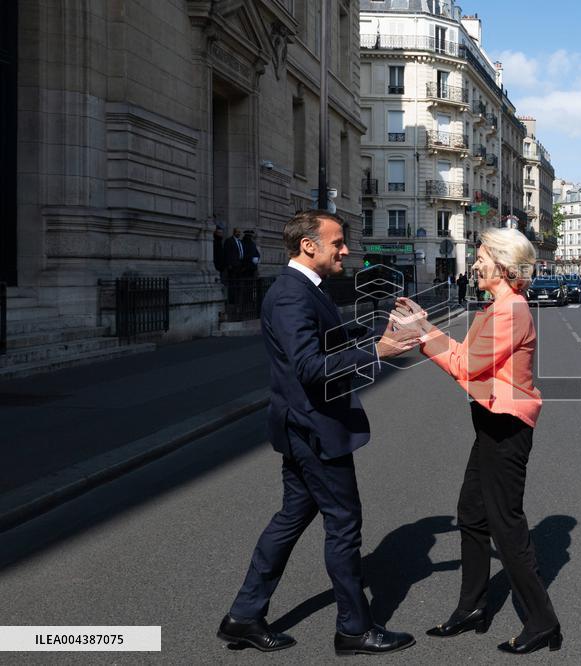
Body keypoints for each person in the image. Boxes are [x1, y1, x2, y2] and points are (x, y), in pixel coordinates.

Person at [217, 210, 420, 656]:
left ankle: (244, 616)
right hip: (314, 426)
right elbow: (309, 368)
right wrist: (378, 351)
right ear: (309, 246)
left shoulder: (304, 289)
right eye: (337, 243)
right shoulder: (292, 295)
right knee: (344, 526)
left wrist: (375, 332)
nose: (345, 250)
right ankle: (354, 628)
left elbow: (322, 341)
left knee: (291, 518)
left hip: (302, 425)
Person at [392, 228, 562, 655]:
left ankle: (542, 622)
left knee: (507, 526)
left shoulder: (510, 310)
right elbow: (470, 362)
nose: (475, 263)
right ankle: (472, 608)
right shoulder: (499, 307)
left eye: (482, 256)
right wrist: (425, 327)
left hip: (506, 426)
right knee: (471, 513)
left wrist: (420, 332)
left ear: (503, 265)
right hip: (491, 422)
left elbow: (467, 367)